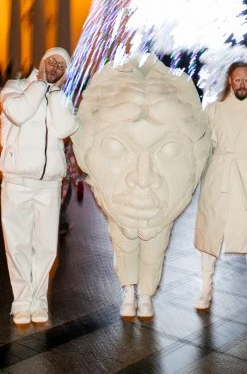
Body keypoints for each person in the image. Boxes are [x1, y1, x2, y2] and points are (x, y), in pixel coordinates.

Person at [72, 56, 210, 322]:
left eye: (168, 149)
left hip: (158, 209)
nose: (143, 177)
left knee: (155, 245)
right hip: (125, 206)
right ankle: (128, 290)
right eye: (115, 147)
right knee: (123, 241)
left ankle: (145, 294)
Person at [0, 47, 79, 325]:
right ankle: (21, 301)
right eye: (52, 61)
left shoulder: (61, 98)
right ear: (41, 61)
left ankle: (39, 300)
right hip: (18, 179)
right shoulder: (16, 87)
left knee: (46, 246)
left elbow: (65, 128)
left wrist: (54, 93)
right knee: (18, 243)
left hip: (48, 183)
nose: (55, 66)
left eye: (61, 65)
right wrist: (40, 85)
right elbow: (18, 113)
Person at [193, 62, 247, 314]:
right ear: (230, 81)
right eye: (238, 80)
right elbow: (204, 142)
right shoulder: (214, 110)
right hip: (220, 175)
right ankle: (206, 286)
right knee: (211, 230)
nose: (243, 85)